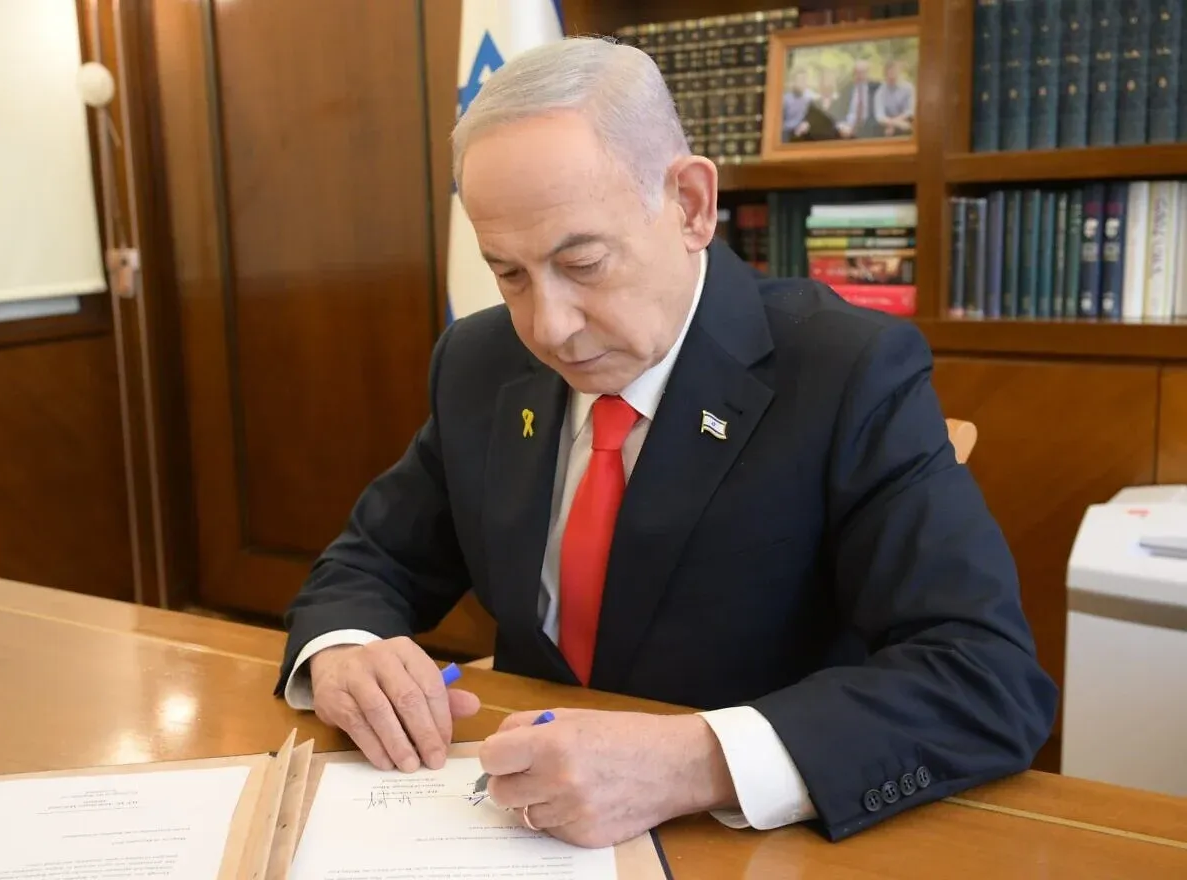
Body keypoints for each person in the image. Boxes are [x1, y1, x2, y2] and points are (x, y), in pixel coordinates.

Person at [274, 36, 1057, 849]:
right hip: (511, 823)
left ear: (689, 204)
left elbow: (985, 681)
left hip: (743, 844)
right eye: (507, 273)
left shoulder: (846, 372)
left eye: (582, 262)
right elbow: (373, 560)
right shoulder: (479, 362)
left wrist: (696, 762)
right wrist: (345, 652)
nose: (549, 328)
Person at [838, 58, 879, 138]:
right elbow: (839, 112)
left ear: (868, 73)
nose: (860, 75)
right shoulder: (846, 89)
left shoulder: (876, 88)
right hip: (848, 127)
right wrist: (842, 126)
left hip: (869, 127)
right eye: (857, 72)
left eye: (863, 72)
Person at [874, 58, 916, 136]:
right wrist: (895, 124)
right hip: (887, 126)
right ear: (885, 75)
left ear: (899, 73)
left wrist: (894, 123)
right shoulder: (880, 92)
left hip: (906, 122)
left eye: (894, 73)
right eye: (889, 74)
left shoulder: (908, 88)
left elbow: (910, 111)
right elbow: (879, 116)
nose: (892, 76)